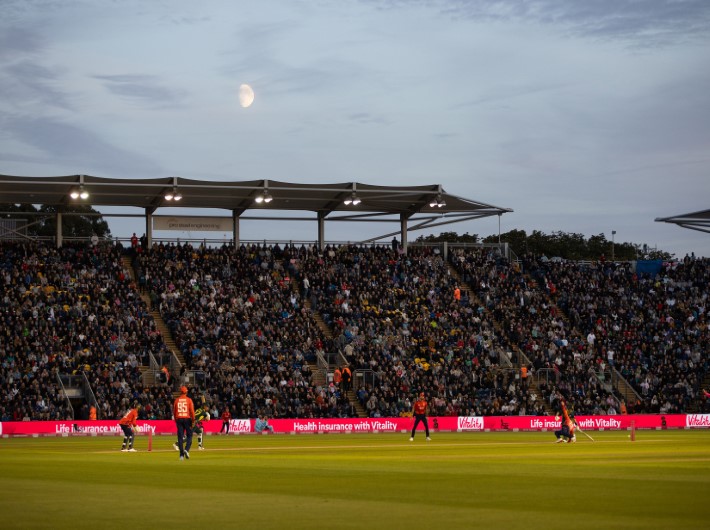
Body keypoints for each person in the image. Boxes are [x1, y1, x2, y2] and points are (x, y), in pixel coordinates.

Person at [174, 386, 195, 460]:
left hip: (179, 419)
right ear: (186, 392)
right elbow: (192, 411)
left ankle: (181, 455)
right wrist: (193, 420)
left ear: (180, 392)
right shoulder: (189, 400)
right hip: (187, 419)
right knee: (189, 435)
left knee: (180, 437)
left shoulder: (176, 400)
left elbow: (174, 411)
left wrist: (176, 420)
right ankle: (186, 449)